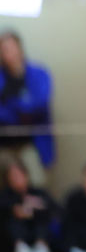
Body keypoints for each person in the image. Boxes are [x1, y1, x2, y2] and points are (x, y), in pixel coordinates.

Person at [0, 31, 55, 188]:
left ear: (20, 48)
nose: (8, 52)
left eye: (11, 47)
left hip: (32, 143)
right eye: (4, 49)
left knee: (37, 186)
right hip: (4, 144)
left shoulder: (39, 74)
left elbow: (39, 104)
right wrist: (21, 109)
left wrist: (12, 104)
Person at [0, 159, 57, 252]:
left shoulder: (38, 193)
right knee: (12, 220)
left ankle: (41, 248)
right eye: (12, 176)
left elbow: (54, 208)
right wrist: (14, 210)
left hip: (36, 231)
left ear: (26, 175)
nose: (16, 179)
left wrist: (38, 205)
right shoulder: (5, 195)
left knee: (42, 217)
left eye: (18, 175)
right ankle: (21, 249)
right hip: (15, 237)